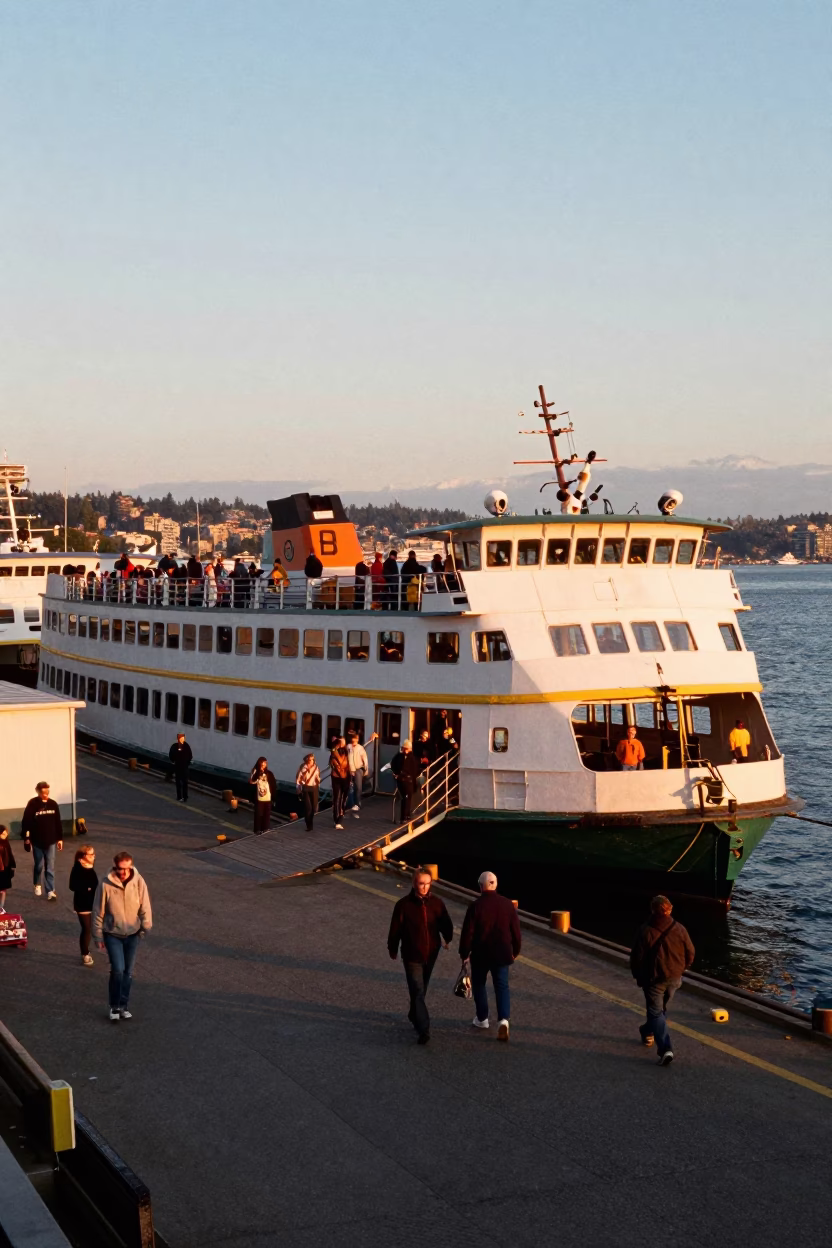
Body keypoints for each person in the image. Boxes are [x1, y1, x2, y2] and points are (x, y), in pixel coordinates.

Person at [387, 867, 453, 1045]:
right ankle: (424, 1029)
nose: (424, 887)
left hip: (431, 952)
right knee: (417, 989)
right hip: (411, 954)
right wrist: (392, 948)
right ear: (414, 883)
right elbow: (395, 930)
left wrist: (448, 938)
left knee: (421, 989)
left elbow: (446, 922)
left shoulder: (437, 903)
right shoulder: (403, 905)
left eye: (427, 884)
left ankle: (413, 1013)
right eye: (421, 883)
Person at [630, 894, 695, 1066]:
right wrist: (681, 969)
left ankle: (665, 1048)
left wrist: (638, 976)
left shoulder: (645, 930)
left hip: (653, 979)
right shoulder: (680, 928)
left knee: (656, 1012)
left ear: (652, 909)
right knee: (660, 1011)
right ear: (670, 909)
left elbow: (636, 957)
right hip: (674, 978)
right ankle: (647, 1032)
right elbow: (690, 952)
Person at [459, 870, 522, 1041]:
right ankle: (503, 1020)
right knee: (501, 986)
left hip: (480, 954)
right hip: (502, 953)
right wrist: (515, 951)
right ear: (496, 885)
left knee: (479, 984)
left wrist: (464, 953)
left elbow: (467, 934)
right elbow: (516, 932)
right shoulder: (508, 905)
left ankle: (482, 1019)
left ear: (480, 886)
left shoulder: (475, 906)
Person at [93, 852, 152, 1022]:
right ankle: (114, 1006)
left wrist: (145, 927)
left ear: (131, 866)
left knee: (128, 972)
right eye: (120, 869)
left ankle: (123, 1005)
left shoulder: (138, 882)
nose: (124, 873)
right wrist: (97, 936)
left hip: (133, 934)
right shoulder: (106, 884)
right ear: (115, 866)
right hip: (113, 934)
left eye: (127, 869)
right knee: (118, 970)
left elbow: (145, 905)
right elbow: (98, 910)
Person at [22, 781, 63, 901]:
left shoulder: (53, 804)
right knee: (39, 865)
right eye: (43, 792)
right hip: (37, 841)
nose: (46, 794)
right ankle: (37, 883)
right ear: (38, 791)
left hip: (51, 841)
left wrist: (59, 838)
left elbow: (57, 822)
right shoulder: (33, 804)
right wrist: (26, 838)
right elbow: (26, 822)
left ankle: (50, 890)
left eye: (47, 791)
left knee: (50, 866)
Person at [69, 844, 98, 966]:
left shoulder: (91, 866)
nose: (94, 856)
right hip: (82, 902)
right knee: (86, 928)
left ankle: (87, 950)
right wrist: (88, 888)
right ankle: (85, 953)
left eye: (93, 854)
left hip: (93, 901)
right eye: (91, 854)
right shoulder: (77, 868)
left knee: (91, 928)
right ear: (83, 855)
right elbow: (72, 886)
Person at [390, 739, 420, 822]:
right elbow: (393, 765)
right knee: (405, 798)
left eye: (407, 749)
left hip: (408, 780)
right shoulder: (399, 756)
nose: (405, 750)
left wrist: (414, 783)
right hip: (401, 780)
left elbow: (414, 771)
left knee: (408, 798)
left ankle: (406, 815)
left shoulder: (412, 758)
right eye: (404, 748)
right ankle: (404, 816)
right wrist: (395, 773)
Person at [250, 756, 278, 834]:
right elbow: (252, 781)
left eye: (265, 763)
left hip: (268, 797)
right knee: (259, 814)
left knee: (267, 814)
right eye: (262, 763)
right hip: (259, 797)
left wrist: (274, 797)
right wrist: (258, 773)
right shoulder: (255, 772)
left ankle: (265, 828)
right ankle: (257, 830)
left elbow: (273, 785)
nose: (264, 765)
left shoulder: (269, 773)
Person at [329, 737, 350, 829]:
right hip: (337, 777)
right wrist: (336, 746)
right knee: (337, 798)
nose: (343, 743)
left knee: (344, 797)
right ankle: (337, 820)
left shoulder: (346, 751)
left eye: (344, 741)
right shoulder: (334, 753)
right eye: (342, 742)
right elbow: (339, 762)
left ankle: (341, 813)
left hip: (346, 777)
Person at [296, 755, 321, 830]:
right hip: (306, 788)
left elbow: (318, 778)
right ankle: (308, 825)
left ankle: (310, 821)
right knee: (308, 808)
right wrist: (298, 789)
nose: (311, 761)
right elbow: (298, 779)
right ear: (307, 760)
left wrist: (318, 782)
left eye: (313, 760)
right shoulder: (303, 768)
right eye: (310, 760)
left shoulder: (316, 768)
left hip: (314, 788)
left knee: (314, 808)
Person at [346, 730, 369, 813]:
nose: (355, 740)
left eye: (356, 739)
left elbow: (364, 759)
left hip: (358, 769)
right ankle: (350, 804)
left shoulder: (360, 748)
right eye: (354, 738)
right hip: (350, 770)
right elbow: (348, 758)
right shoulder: (348, 747)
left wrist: (365, 770)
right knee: (350, 787)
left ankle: (358, 804)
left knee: (358, 787)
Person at [168, 732, 193, 801]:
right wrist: (187, 762)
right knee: (185, 782)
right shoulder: (187, 746)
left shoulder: (175, 746)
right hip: (185, 766)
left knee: (178, 783)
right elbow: (190, 756)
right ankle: (185, 797)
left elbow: (171, 756)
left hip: (178, 766)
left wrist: (174, 761)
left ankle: (179, 797)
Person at [0, 825, 15, 914]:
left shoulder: (6, 843)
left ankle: (1, 907)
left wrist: (12, 865)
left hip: (5, 869)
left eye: (6, 834)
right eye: (3, 834)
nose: (5, 836)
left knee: (3, 890)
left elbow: (10, 854)